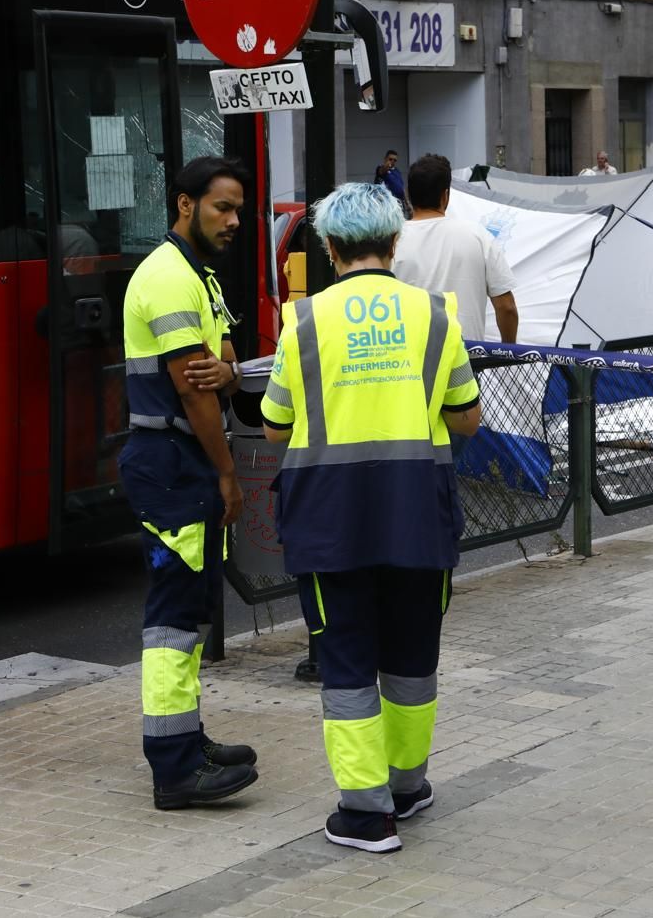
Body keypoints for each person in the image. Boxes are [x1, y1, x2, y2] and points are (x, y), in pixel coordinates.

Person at [260, 182, 482, 854]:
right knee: (413, 659)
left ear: (329, 248)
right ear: (394, 244)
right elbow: (466, 416)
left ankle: (364, 814)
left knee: (347, 659)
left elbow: (274, 428)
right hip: (418, 513)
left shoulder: (303, 322)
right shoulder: (436, 316)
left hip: (331, 521)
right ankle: (407, 788)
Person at [119, 156, 260, 810]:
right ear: (184, 204)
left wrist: (226, 374)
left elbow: (224, 367)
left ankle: (187, 739)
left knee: (192, 609)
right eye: (221, 208)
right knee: (173, 618)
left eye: (237, 209)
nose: (234, 220)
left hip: (182, 460)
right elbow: (195, 390)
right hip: (172, 459)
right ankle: (174, 769)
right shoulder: (171, 280)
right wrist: (228, 474)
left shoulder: (199, 276)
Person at [393, 153, 519, 346]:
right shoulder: (478, 236)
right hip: (467, 361)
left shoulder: (391, 243)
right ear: (445, 195)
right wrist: (508, 351)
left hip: (409, 363)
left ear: (408, 193)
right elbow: (507, 307)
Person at [373, 148, 406, 212]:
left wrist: (407, 202)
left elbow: (402, 187)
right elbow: (383, 170)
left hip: (399, 203)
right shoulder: (380, 168)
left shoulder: (397, 171)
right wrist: (387, 164)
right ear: (385, 159)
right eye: (390, 159)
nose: (392, 161)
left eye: (395, 160)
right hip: (387, 204)